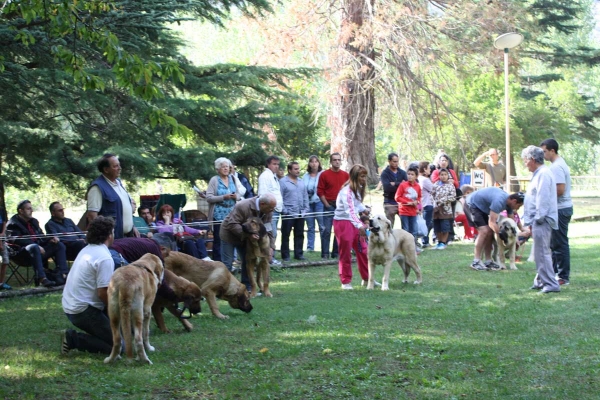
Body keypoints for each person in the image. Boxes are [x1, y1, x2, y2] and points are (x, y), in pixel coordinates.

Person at [61, 216, 116, 355]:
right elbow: (103, 293)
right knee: (118, 347)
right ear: (109, 235)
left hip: (72, 306)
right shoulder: (104, 257)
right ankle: (73, 339)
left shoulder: (88, 249)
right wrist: (116, 311)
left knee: (119, 335)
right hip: (83, 311)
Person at [520, 145, 560, 293]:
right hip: (537, 220)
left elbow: (542, 199)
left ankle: (551, 284)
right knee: (539, 253)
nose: (525, 163)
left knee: (542, 252)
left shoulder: (543, 174)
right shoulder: (538, 173)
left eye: (525, 160)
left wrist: (537, 218)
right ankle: (540, 281)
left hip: (542, 220)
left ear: (532, 159)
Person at [220, 193, 277, 292]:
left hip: (247, 237)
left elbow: (268, 229)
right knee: (227, 263)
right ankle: (223, 289)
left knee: (248, 261)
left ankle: (247, 287)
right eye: (271, 208)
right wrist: (248, 235)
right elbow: (232, 224)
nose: (272, 210)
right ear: (262, 204)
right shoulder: (243, 205)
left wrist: (271, 247)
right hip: (229, 235)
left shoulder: (268, 211)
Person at [7, 200, 69, 287]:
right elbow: (17, 240)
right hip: (21, 255)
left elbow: (41, 236)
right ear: (21, 211)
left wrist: (50, 239)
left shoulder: (34, 221)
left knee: (59, 245)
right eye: (28, 209)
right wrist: (37, 246)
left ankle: (63, 274)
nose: (31, 210)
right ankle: (42, 278)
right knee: (34, 247)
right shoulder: (13, 223)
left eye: (31, 208)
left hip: (38, 251)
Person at [466, 187, 524, 271]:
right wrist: (503, 236)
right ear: (514, 201)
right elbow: (492, 222)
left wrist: (516, 239)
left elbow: (512, 221)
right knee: (484, 231)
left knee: (490, 231)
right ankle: (476, 261)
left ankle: (488, 261)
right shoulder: (499, 201)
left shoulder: (509, 203)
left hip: (481, 208)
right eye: (519, 205)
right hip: (472, 204)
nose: (518, 208)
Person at [540, 138, 573, 286]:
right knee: (555, 243)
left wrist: (545, 196)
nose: (543, 155)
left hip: (560, 209)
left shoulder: (556, 167)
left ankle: (563, 276)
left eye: (544, 151)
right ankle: (553, 273)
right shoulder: (557, 164)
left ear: (552, 151)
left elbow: (560, 189)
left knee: (560, 244)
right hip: (560, 209)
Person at [333, 164, 370, 290]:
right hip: (343, 222)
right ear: (355, 177)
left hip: (354, 222)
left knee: (363, 250)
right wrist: (360, 225)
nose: (364, 179)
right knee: (346, 252)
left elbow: (357, 205)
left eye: (365, 176)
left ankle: (367, 278)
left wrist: (365, 209)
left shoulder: (357, 189)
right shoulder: (346, 192)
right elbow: (350, 211)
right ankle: (345, 281)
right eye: (362, 176)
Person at [86, 153, 139, 239]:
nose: (120, 168)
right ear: (106, 169)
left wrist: (132, 226)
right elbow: (92, 216)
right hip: (112, 239)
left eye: (119, 165)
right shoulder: (97, 188)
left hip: (128, 236)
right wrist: (103, 238)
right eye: (115, 166)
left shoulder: (119, 183)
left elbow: (124, 210)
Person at [206, 157, 241, 264]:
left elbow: (239, 194)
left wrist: (236, 196)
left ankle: (229, 261)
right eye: (223, 167)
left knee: (232, 238)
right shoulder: (214, 180)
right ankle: (218, 263)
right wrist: (223, 197)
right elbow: (209, 197)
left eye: (227, 166)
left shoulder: (233, 179)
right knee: (219, 240)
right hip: (218, 215)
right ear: (218, 169)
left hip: (232, 214)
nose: (226, 169)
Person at [317, 153, 349, 260]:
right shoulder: (324, 174)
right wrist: (326, 204)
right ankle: (325, 254)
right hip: (329, 204)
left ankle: (336, 252)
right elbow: (320, 191)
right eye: (334, 160)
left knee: (339, 231)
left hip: (341, 207)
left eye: (339, 160)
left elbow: (349, 191)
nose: (337, 162)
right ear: (331, 161)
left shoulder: (345, 175)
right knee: (326, 230)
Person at [279, 162, 309, 261]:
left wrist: (305, 209)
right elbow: (280, 198)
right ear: (290, 170)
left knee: (300, 234)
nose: (298, 171)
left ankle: (299, 254)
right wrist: (284, 211)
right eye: (295, 169)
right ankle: (285, 255)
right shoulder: (283, 182)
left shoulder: (301, 182)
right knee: (285, 234)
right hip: (288, 213)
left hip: (300, 213)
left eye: (298, 169)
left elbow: (305, 196)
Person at [257, 155, 283, 265]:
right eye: (274, 164)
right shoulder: (265, 176)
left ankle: (270, 257)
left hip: (276, 210)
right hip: (269, 211)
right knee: (269, 234)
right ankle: (268, 258)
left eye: (278, 164)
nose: (276, 166)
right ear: (268, 164)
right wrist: (268, 210)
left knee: (273, 234)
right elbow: (263, 195)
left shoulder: (273, 176)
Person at [395, 166, 422, 251]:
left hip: (413, 212)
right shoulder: (403, 185)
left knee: (414, 230)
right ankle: (404, 248)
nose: (410, 176)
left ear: (416, 176)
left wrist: (416, 202)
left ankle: (413, 247)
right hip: (404, 211)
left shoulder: (418, 186)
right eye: (408, 174)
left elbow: (419, 197)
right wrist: (407, 202)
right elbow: (397, 197)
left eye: (412, 174)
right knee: (405, 230)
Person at [302, 155, 325, 252]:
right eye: (312, 161)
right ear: (309, 164)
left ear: (319, 163)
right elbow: (302, 189)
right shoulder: (305, 176)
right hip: (308, 203)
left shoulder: (323, 174)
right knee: (310, 226)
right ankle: (310, 247)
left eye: (316, 161)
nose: (314, 163)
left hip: (319, 202)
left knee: (322, 226)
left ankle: (324, 247)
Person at [430, 169, 456, 250]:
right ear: (439, 176)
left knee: (445, 227)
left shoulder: (450, 185)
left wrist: (443, 200)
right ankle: (439, 242)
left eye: (445, 174)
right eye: (442, 175)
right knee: (437, 227)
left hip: (446, 209)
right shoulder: (436, 184)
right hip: (436, 210)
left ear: (448, 176)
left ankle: (443, 242)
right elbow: (432, 195)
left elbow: (453, 197)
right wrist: (434, 202)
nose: (443, 176)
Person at [381, 153, 408, 228]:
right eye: (394, 161)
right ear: (389, 161)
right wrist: (400, 184)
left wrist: (395, 183)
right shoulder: (385, 173)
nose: (396, 163)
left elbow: (406, 187)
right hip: (389, 202)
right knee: (389, 227)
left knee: (406, 226)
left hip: (402, 202)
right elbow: (387, 188)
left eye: (397, 161)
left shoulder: (402, 173)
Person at [417, 161, 433, 248]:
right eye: (429, 168)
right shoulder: (425, 180)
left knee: (426, 222)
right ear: (424, 169)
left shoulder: (418, 179)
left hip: (422, 204)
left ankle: (424, 240)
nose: (430, 170)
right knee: (427, 223)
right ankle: (425, 241)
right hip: (427, 203)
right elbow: (433, 189)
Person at [0, 205, 11, 290]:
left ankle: (1, 283)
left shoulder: (1, 210)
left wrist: (3, 233)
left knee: (6, 261)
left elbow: (4, 222)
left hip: (2, 238)